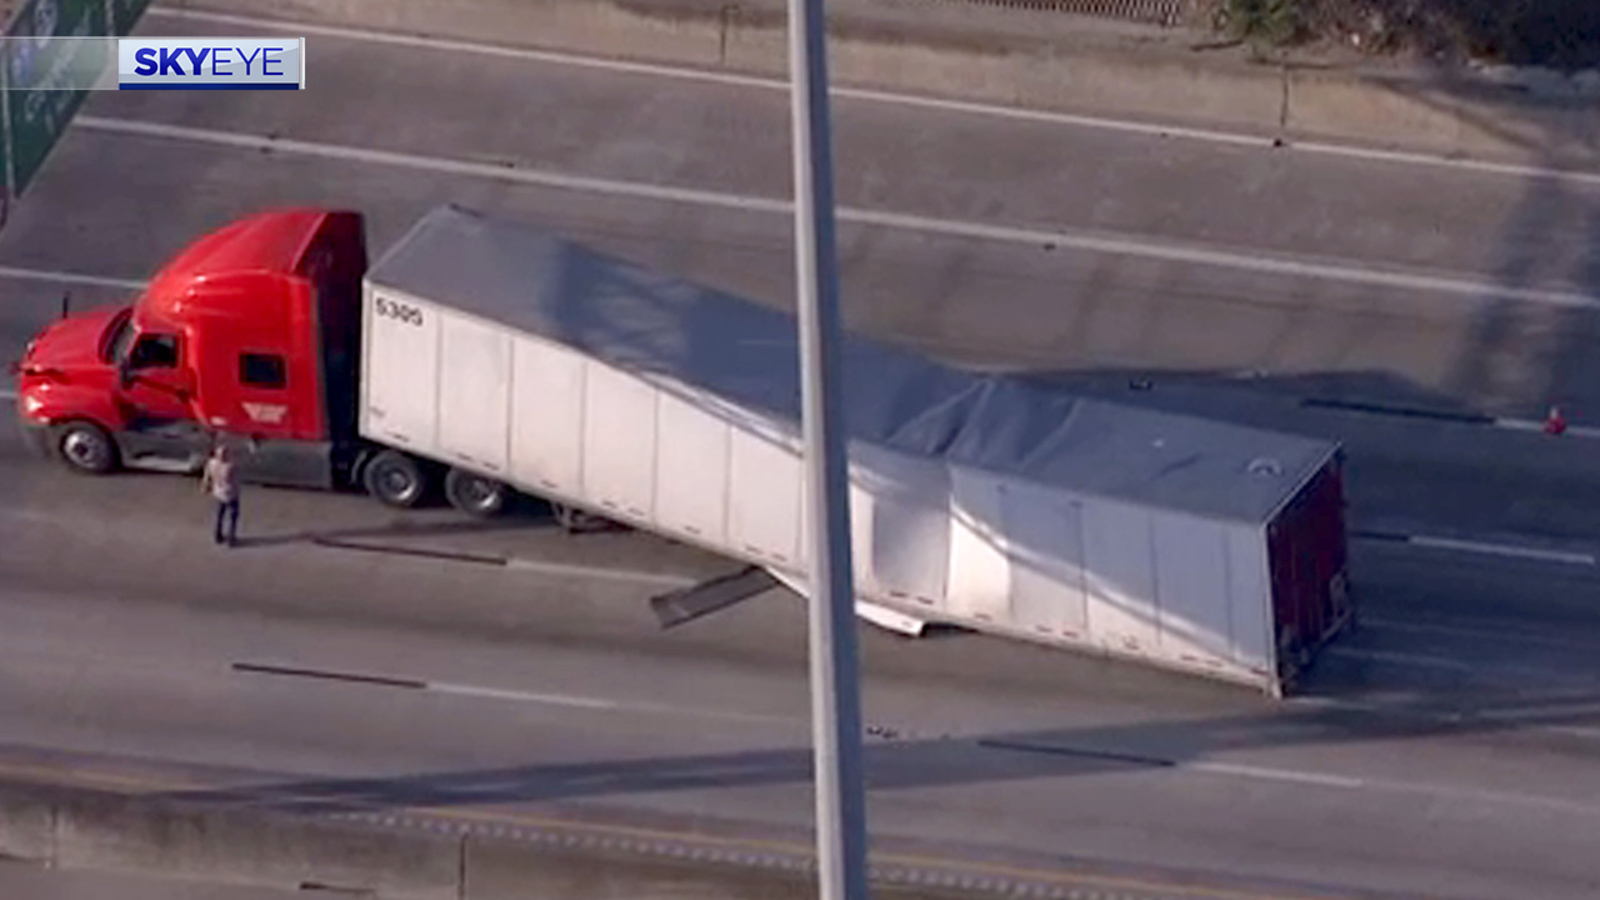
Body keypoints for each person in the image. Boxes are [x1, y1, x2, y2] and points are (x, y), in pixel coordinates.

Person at [201, 441, 242, 547]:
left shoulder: (212, 463)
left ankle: (217, 535)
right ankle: (231, 538)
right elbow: (237, 477)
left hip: (218, 492)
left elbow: (207, 476)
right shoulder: (230, 466)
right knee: (233, 516)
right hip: (231, 493)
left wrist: (206, 486)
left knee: (220, 515)